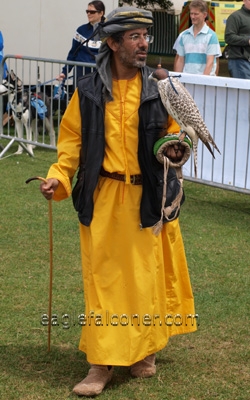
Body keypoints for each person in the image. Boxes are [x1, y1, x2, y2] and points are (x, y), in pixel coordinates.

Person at [40, 6, 196, 397]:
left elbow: (179, 133)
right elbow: (71, 143)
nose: (145, 44)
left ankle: (145, 352)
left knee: (145, 280)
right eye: (135, 37)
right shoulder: (89, 90)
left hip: (149, 197)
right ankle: (100, 363)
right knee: (104, 283)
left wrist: (178, 149)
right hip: (104, 197)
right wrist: (58, 179)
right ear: (113, 43)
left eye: (146, 36)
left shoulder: (159, 87)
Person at [57, 1, 105, 85]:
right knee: (79, 97)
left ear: (101, 13)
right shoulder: (81, 30)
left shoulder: (108, 31)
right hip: (80, 75)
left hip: (100, 75)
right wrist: (64, 72)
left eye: (92, 12)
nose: (89, 14)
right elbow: (73, 53)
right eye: (87, 11)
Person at [174, 0, 221, 75]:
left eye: (196, 14)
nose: (192, 17)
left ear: (204, 15)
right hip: (187, 81)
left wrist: (202, 81)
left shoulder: (212, 36)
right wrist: (176, 80)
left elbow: (210, 63)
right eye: (191, 13)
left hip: (205, 82)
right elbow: (180, 60)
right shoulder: (183, 35)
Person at [224, 0, 250, 79]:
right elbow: (229, 37)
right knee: (243, 90)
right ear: (244, 0)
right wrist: (248, 40)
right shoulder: (235, 16)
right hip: (240, 62)